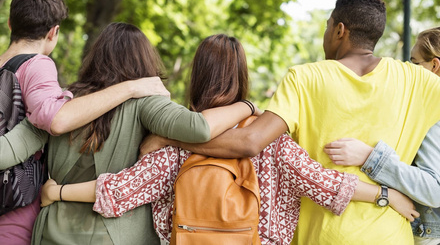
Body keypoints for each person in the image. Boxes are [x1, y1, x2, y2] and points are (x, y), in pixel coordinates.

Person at [136, 0, 440, 244]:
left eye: (327, 25)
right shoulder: (418, 80)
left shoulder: (305, 77)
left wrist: (171, 138)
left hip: (318, 237)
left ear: (340, 30)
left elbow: (250, 142)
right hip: (388, 235)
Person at [40, 34, 416, 244]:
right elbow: (329, 185)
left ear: (196, 77)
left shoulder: (173, 140)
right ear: (243, 76)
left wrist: (56, 192)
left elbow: (119, 193)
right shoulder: (272, 140)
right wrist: (388, 195)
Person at [0, 23, 257, 244]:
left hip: (52, 233)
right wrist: (248, 106)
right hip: (116, 235)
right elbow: (199, 128)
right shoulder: (146, 103)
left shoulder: (62, 103)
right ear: (144, 60)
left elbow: (6, 152)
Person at [0, 0, 168, 244]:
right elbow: (56, 119)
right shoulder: (37, 64)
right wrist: (133, 86)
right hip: (15, 200)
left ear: (10, 23)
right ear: (53, 32)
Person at [324, 26, 440, 245]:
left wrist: (370, 157)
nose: (408, 68)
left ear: (435, 66)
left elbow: (434, 190)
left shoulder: (435, 114)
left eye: (414, 62)